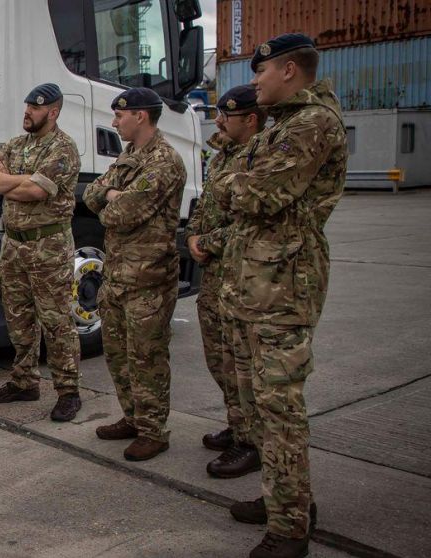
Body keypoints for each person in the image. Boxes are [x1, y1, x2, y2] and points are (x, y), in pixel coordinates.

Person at [197, 33, 347, 558]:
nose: (254, 81)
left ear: (288, 71)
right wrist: (241, 177)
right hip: (257, 281)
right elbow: (247, 185)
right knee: (260, 402)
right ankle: (284, 497)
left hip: (282, 286)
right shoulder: (285, 124)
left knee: (280, 407)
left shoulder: (312, 123)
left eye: (261, 72)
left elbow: (259, 195)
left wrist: (231, 181)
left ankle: (290, 530)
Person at [83, 87, 185, 461]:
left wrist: (111, 197)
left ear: (140, 115)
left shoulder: (165, 161)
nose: (113, 122)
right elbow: (91, 194)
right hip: (118, 273)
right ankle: (133, 416)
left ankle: (154, 431)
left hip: (149, 278)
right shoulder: (129, 156)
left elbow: (119, 212)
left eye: (119, 116)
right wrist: (112, 194)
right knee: (117, 352)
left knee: (147, 356)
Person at [0, 83, 83, 422]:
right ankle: (24, 381)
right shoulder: (14, 144)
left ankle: (68, 391)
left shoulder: (63, 148)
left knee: (56, 321)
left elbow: (34, 191)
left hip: (49, 247)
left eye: (35, 108)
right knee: (18, 316)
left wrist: (15, 183)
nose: (27, 112)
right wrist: (20, 182)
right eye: (26, 106)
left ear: (52, 112)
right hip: (13, 245)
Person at [186, 84, 266, 479]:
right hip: (216, 274)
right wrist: (192, 236)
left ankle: (251, 442)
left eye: (226, 115)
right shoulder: (222, 157)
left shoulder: (259, 157)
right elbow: (205, 206)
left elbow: (249, 221)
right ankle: (238, 424)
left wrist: (209, 241)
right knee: (219, 359)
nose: (217, 121)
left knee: (242, 364)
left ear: (250, 119)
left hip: (242, 273)